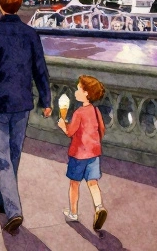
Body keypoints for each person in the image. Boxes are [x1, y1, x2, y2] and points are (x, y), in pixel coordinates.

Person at [0, 0, 51, 235]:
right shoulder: (30, 34)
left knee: (1, 157)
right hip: (22, 102)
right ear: (20, 6)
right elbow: (40, 70)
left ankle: (13, 210)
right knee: (13, 154)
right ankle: (4, 198)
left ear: (0, 6)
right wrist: (46, 100)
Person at [58, 75, 108, 231]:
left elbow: (70, 132)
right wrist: (94, 143)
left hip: (79, 154)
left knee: (74, 183)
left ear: (86, 93)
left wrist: (62, 125)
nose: (76, 91)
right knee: (93, 182)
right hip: (93, 153)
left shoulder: (79, 112)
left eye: (79, 88)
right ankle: (99, 207)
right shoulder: (95, 110)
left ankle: (73, 213)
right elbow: (102, 129)